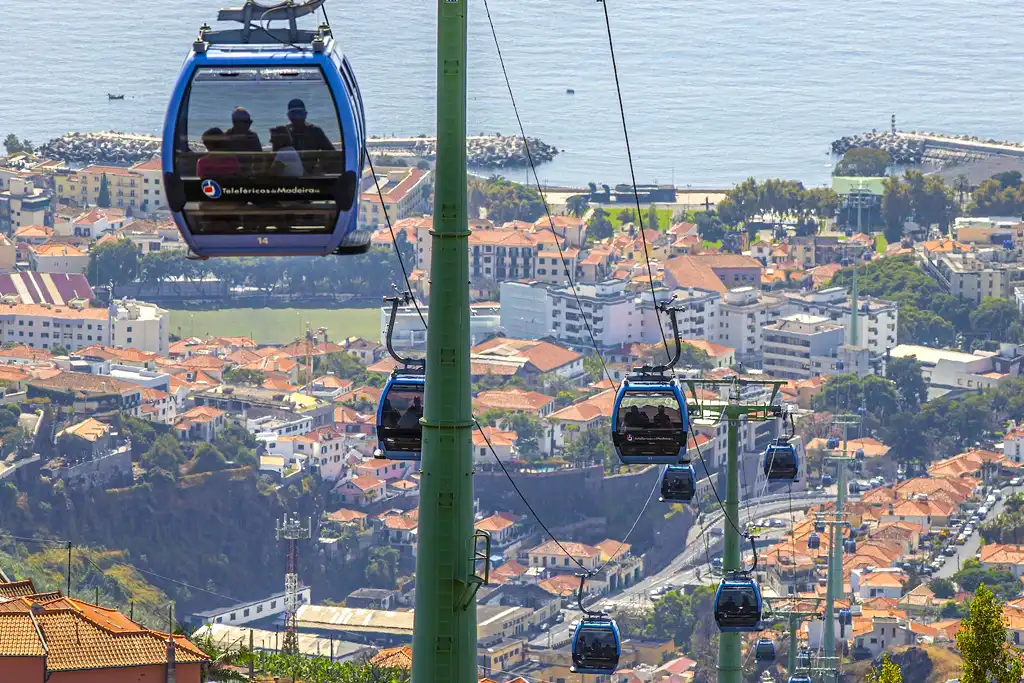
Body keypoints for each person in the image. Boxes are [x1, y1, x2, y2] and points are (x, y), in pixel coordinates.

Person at [285, 98, 338, 173]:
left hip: (312, 173)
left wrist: (320, 166)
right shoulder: (285, 132)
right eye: (293, 114)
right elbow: (275, 157)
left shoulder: (315, 131)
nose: (297, 118)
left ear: (305, 115)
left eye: (300, 114)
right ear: (289, 116)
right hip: (290, 174)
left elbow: (331, 153)